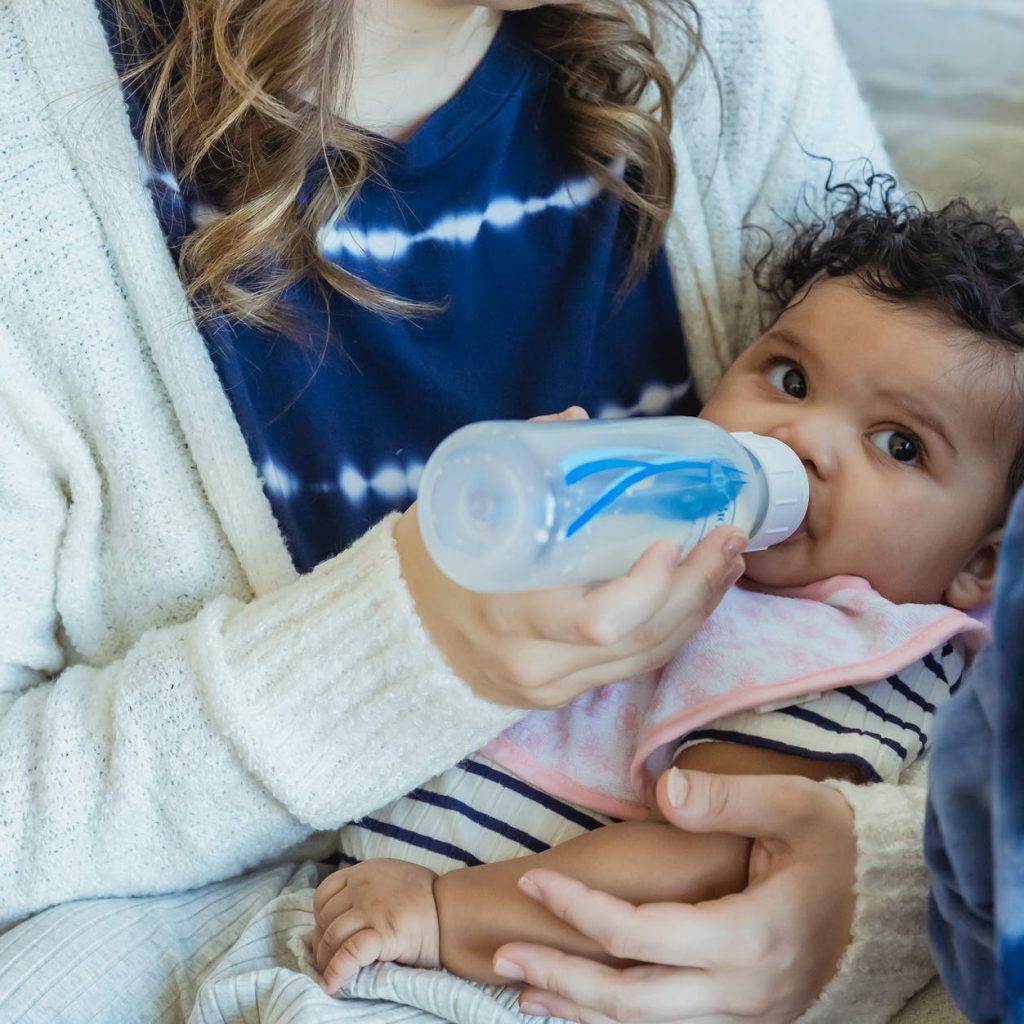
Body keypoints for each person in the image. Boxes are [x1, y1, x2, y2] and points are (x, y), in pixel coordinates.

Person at [0, 0, 944, 1021]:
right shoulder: (35, 145)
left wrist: (878, 894)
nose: (802, 441)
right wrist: (407, 652)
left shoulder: (735, 34)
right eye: (788, 382)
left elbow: (966, 498)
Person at [309, 192, 1024, 1004]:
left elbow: (707, 861)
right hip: (369, 921)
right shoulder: (662, 527)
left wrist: (444, 915)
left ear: (981, 564)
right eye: (790, 379)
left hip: (519, 977)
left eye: (899, 444)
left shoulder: (858, 651)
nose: (804, 439)